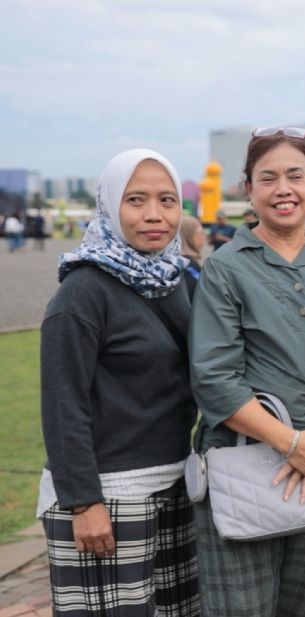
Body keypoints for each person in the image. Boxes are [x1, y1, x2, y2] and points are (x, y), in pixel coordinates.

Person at [188, 127, 305, 616]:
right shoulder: (224, 270)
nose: (283, 189)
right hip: (242, 468)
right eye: (267, 178)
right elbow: (214, 378)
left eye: (296, 176)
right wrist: (292, 442)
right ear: (247, 188)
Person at [38, 148, 199, 616]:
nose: (155, 215)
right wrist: (83, 502)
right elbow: (62, 403)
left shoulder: (177, 282)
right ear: (109, 205)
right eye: (136, 200)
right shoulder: (83, 293)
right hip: (109, 498)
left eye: (167, 200)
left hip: (174, 487)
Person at [179, 215, 206, 298]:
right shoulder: (189, 268)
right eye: (201, 233)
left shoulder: (176, 262)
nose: (204, 238)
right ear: (189, 236)